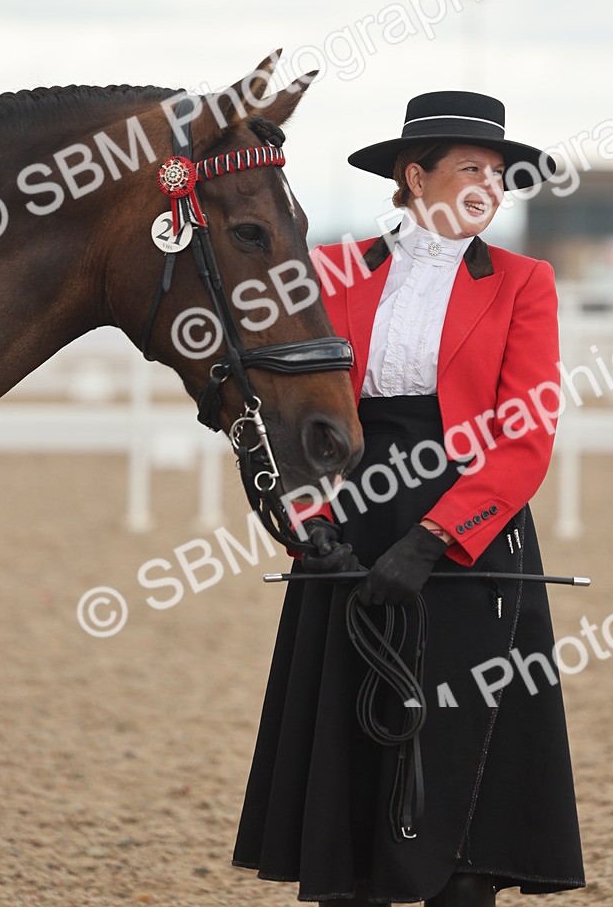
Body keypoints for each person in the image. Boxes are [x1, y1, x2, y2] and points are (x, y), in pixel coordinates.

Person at [232, 92, 585, 905]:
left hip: (471, 530)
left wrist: (432, 540)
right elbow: (295, 417)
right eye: (471, 169)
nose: (489, 186)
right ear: (414, 176)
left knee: (461, 751)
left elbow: (526, 435)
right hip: (351, 522)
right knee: (350, 753)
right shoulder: (331, 270)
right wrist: (310, 527)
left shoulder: (525, 282)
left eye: (499, 175)